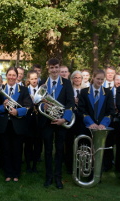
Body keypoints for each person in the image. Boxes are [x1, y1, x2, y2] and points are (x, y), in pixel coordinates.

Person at [40, 58, 75, 189]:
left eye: (56, 67)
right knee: (48, 151)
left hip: (60, 122)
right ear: (48, 68)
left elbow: (71, 103)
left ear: (59, 68)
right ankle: (48, 177)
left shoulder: (66, 83)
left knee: (59, 150)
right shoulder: (42, 82)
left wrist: (64, 119)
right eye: (51, 68)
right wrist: (42, 106)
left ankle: (58, 177)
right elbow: (38, 100)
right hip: (46, 121)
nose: (54, 70)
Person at [0, 67, 33, 182]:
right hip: (5, 125)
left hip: (18, 124)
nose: (11, 77)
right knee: (5, 150)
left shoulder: (24, 90)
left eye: (13, 75)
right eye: (9, 75)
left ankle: (16, 173)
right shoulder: (1, 90)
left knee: (17, 149)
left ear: (17, 77)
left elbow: (29, 106)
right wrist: (3, 106)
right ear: (6, 76)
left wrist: (17, 112)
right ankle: (8, 173)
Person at [78, 69, 114, 171]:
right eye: (98, 79)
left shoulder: (108, 92)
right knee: (87, 148)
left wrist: (103, 124)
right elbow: (81, 110)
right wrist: (91, 123)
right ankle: (86, 168)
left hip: (102, 127)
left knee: (101, 149)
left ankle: (100, 168)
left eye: (102, 79)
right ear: (93, 78)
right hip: (88, 126)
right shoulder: (84, 92)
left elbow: (111, 111)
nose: (99, 81)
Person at [64, 70, 83, 174]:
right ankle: (69, 165)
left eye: (79, 77)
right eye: (75, 77)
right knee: (69, 142)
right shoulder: (69, 89)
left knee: (81, 142)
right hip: (71, 117)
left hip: (81, 119)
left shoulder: (85, 90)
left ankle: (80, 164)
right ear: (72, 79)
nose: (77, 79)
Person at [24, 70, 42, 173]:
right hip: (28, 120)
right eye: (32, 79)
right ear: (28, 80)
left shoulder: (42, 90)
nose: (34, 81)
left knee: (37, 144)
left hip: (39, 120)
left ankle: (35, 165)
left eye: (36, 78)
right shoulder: (25, 90)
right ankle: (28, 165)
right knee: (28, 144)